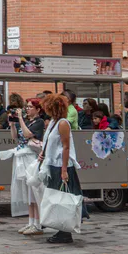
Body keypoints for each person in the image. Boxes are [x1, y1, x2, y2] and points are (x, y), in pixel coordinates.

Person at [37, 93, 88, 245]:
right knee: (57, 197)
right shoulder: (54, 122)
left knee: (63, 198)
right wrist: (43, 154)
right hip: (54, 164)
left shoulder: (62, 123)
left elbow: (66, 147)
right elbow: (51, 143)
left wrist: (64, 169)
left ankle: (65, 232)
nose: (44, 109)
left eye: (47, 106)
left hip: (61, 165)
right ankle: (62, 229)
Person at [10, 98, 46, 235]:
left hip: (32, 158)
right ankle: (31, 222)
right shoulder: (26, 121)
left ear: (38, 109)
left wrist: (20, 119)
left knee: (34, 191)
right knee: (28, 192)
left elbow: (27, 134)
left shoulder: (39, 122)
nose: (27, 109)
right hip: (22, 157)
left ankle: (38, 224)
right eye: (27, 107)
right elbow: (16, 137)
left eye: (31, 107)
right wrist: (13, 124)